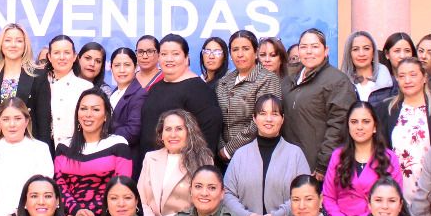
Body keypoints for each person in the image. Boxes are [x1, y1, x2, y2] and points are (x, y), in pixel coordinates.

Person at [223, 95, 311, 216]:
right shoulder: (240, 154)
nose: (269, 119)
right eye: (263, 114)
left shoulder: (295, 154)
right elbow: (227, 194)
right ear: (254, 118)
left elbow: (305, 194)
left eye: (274, 114)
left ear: (282, 119)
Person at [54, 88, 134, 216]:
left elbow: (121, 188)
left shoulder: (118, 144)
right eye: (83, 109)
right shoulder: (63, 147)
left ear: (105, 116)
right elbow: (59, 186)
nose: (88, 114)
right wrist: (76, 211)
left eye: (95, 109)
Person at [280, 31, 356, 174]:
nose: (309, 52)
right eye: (303, 47)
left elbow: (338, 127)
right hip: (288, 165)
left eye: (315, 46)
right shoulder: (288, 81)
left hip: (318, 169)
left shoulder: (337, 81)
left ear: (326, 50)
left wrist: (323, 164)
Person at [138, 34, 223, 157]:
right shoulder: (156, 88)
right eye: (164, 54)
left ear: (186, 57)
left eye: (175, 54)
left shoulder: (198, 89)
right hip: (150, 166)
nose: (169, 59)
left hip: (183, 168)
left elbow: (209, 134)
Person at [138, 110, 215, 216]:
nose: (173, 135)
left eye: (179, 129)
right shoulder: (150, 158)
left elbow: (201, 203)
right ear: (161, 134)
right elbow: (141, 200)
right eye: (168, 129)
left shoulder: (204, 160)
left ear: (189, 133)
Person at [216, 29, 283, 161]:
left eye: (245, 48)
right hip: (222, 155)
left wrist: (228, 150)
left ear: (256, 52)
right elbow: (215, 118)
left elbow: (261, 120)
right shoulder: (224, 81)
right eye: (235, 50)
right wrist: (220, 147)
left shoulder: (267, 79)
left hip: (255, 154)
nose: (240, 54)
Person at [0, 24, 43, 145]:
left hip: (29, 147)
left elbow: (43, 120)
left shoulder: (38, 75)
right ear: (1, 45)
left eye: (19, 41)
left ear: (25, 45)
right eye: (8, 40)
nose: (13, 45)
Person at [379, 57, 431, 205]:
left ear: (424, 78)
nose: (407, 80)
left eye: (413, 75)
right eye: (402, 76)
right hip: (398, 187)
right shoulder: (387, 109)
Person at [33, 34, 92, 149]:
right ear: (49, 57)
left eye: (67, 52)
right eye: (56, 53)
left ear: (75, 56)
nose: (62, 57)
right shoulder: (38, 84)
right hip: (41, 147)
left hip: (75, 149)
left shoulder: (85, 87)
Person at [107, 47, 146, 151]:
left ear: (136, 67)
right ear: (111, 68)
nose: (122, 70)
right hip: (110, 155)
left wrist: (103, 141)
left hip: (126, 155)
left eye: (127, 65)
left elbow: (133, 131)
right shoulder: (114, 92)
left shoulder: (139, 94)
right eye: (117, 65)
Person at [344, 31, 392, 100]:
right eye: (355, 49)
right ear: (349, 54)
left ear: (373, 52)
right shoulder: (341, 85)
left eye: (366, 48)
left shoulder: (388, 83)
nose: (361, 54)